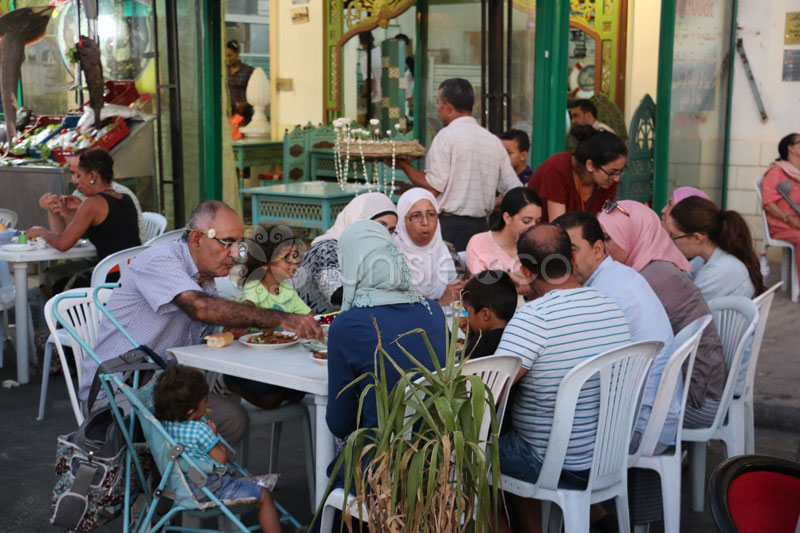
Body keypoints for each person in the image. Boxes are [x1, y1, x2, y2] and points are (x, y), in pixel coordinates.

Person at [79, 201, 322, 445]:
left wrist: (230, 327)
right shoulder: (159, 259)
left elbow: (206, 319)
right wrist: (282, 318)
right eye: (228, 243)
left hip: (169, 390)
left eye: (240, 245)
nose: (236, 254)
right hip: (119, 392)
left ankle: (189, 479)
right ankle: (173, 478)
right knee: (196, 430)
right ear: (196, 239)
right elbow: (200, 308)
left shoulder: (205, 279)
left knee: (233, 419)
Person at [494, 224, 631, 533]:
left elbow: (490, 393)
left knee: (472, 450)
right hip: (605, 457)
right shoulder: (611, 307)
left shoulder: (534, 319)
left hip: (551, 463)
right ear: (570, 258)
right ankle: (595, 517)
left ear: (526, 271)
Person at [326, 220, 446, 481]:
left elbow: (339, 423)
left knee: (336, 472)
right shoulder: (433, 311)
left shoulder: (348, 326)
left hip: (381, 469)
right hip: (438, 463)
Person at [553, 211, 676, 452]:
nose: (564, 261)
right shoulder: (618, 276)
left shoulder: (603, 294)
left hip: (638, 428)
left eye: (572, 250)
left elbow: (570, 364)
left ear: (598, 249)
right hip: (655, 417)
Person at [598, 200, 726, 430]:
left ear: (633, 235)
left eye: (608, 238)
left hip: (696, 403)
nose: (601, 248)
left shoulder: (652, 278)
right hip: (698, 390)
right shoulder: (652, 266)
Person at [395, 78, 521, 251]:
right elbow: (514, 190)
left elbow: (433, 187)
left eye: (438, 104)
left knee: (451, 276)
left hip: (449, 228)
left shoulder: (446, 136)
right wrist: (488, 201)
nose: (438, 109)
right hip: (482, 228)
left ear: (448, 107)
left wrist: (403, 164)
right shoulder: (492, 140)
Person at [154, 365, 281, 532]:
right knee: (264, 495)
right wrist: (214, 437)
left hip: (180, 487)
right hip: (209, 488)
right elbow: (220, 459)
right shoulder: (200, 430)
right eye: (204, 403)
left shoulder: (163, 426)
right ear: (192, 410)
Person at [29, 148, 141, 297]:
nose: (75, 181)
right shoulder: (126, 199)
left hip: (109, 279)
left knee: (58, 287)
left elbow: (63, 243)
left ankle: (71, 320)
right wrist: (69, 212)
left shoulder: (92, 204)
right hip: (133, 273)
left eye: (78, 175)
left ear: (93, 176)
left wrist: (40, 231)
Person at [229, 223, 311, 409]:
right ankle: (227, 383)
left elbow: (307, 315)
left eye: (295, 256)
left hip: (280, 361)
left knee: (298, 393)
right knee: (270, 400)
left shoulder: (287, 290)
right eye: (286, 257)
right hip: (252, 362)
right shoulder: (254, 287)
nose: (294, 262)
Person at [294, 192, 397, 314]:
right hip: (312, 328)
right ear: (358, 219)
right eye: (379, 225)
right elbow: (338, 294)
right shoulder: (326, 249)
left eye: (390, 230)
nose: (384, 234)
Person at [665, 196, 765, 300]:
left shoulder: (720, 269)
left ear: (697, 238)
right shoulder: (705, 257)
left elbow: (687, 306)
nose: (671, 241)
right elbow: (683, 277)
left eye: (674, 235)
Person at [527, 125, 627, 222]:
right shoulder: (558, 168)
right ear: (590, 165)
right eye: (612, 172)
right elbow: (558, 227)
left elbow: (603, 222)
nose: (616, 179)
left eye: (620, 172)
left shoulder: (609, 180)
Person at [393, 188, 468, 305]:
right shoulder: (390, 253)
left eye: (431, 214)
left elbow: (464, 292)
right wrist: (440, 302)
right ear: (402, 219)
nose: (425, 222)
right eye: (416, 215)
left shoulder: (447, 249)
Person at [466, 187, 542, 276]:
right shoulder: (480, 243)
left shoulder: (538, 245)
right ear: (507, 218)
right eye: (526, 221)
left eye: (537, 222)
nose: (533, 227)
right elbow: (480, 285)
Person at [761, 132, 800, 297]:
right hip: (782, 225)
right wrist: (789, 219)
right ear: (790, 148)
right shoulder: (777, 172)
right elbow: (768, 203)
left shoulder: (797, 172)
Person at [460, 270, 517, 359]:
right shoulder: (516, 336)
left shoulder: (480, 345)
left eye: (467, 312)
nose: (467, 318)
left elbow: (462, 368)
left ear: (485, 314)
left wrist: (470, 338)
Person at [358, 31, 382, 124]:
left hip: (377, 99)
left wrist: (361, 97)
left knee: (378, 130)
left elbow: (368, 86)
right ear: (373, 39)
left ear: (361, 43)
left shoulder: (365, 60)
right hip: (391, 98)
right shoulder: (383, 52)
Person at [227, 40, 254, 116]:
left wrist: (244, 104)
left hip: (243, 111)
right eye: (226, 56)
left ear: (237, 53)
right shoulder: (224, 71)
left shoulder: (248, 70)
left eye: (230, 55)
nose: (228, 59)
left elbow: (254, 93)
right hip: (228, 111)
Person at [392, 33, 414, 119]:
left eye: (402, 44)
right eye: (396, 45)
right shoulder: (395, 63)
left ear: (407, 46)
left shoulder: (411, 62)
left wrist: (412, 99)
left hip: (410, 103)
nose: (399, 47)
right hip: (399, 103)